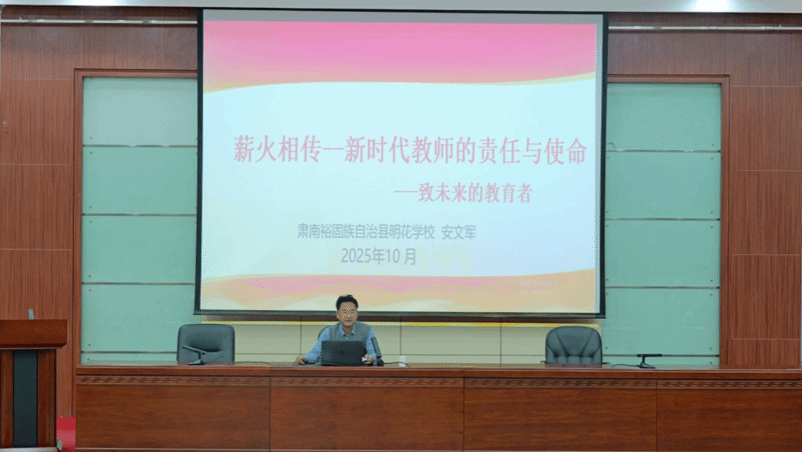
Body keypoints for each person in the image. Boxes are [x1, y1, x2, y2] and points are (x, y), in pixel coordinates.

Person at [295, 294, 378, 365]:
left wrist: (370, 357)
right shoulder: (328, 332)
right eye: (344, 312)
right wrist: (304, 358)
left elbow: (373, 353)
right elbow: (316, 352)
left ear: (357, 314)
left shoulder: (367, 330)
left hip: (359, 372)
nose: (348, 316)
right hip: (333, 372)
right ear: (337, 314)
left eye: (352, 312)